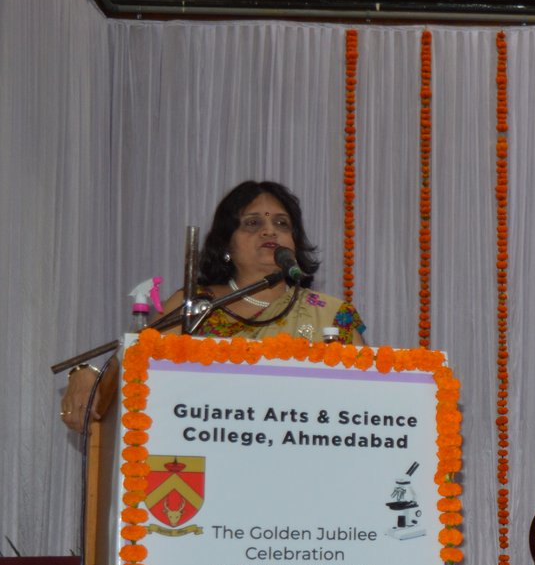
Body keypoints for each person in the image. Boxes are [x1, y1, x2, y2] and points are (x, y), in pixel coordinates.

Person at [58, 180, 367, 431]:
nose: (269, 230)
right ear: (226, 244)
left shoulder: (331, 314)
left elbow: (367, 402)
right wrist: (88, 374)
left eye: (282, 223)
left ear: (295, 242)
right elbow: (134, 373)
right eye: (252, 223)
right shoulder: (195, 305)